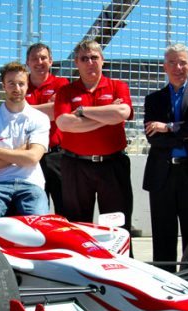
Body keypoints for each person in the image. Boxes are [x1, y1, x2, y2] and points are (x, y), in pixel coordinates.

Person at [143, 43, 188, 272]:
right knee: (163, 233)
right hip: (162, 175)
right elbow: (153, 138)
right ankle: (164, 280)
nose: (178, 67)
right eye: (173, 62)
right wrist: (184, 133)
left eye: (183, 62)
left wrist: (169, 127)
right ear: (165, 66)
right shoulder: (154, 99)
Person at [54, 39, 134, 234]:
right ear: (76, 63)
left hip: (112, 164)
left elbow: (122, 112)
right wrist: (107, 116)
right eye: (84, 58)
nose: (90, 62)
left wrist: (82, 111)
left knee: (117, 225)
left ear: (103, 60)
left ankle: (119, 264)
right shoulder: (66, 91)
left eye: (94, 57)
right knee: (77, 226)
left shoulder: (118, 86)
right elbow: (65, 124)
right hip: (75, 166)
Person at [0, 62, 50, 219]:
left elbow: (32, 159)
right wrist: (22, 151)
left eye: (21, 83)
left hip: (31, 183)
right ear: (4, 86)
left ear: (27, 85)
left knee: (40, 224)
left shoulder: (40, 118)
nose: (17, 88)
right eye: (11, 83)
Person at [25, 43, 69, 215]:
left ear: (51, 61)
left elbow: (56, 113)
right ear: (27, 62)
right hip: (30, 157)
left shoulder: (62, 84)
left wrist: (25, 110)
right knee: (35, 210)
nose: (39, 62)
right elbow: (14, 115)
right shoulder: (21, 85)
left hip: (57, 156)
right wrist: (48, 108)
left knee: (64, 209)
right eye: (34, 58)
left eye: (43, 58)